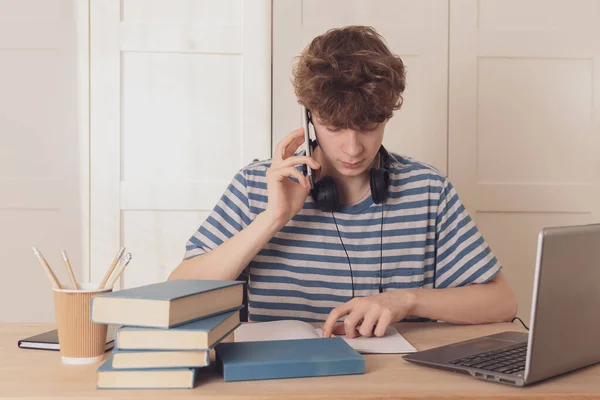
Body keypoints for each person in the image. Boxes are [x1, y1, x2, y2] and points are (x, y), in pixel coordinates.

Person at [169, 25, 518, 339]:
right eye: (334, 128)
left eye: (368, 127)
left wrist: (406, 301)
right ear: (309, 120)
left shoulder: (429, 191)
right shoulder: (255, 186)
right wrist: (272, 218)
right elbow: (177, 296)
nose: (353, 149)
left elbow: (502, 302)